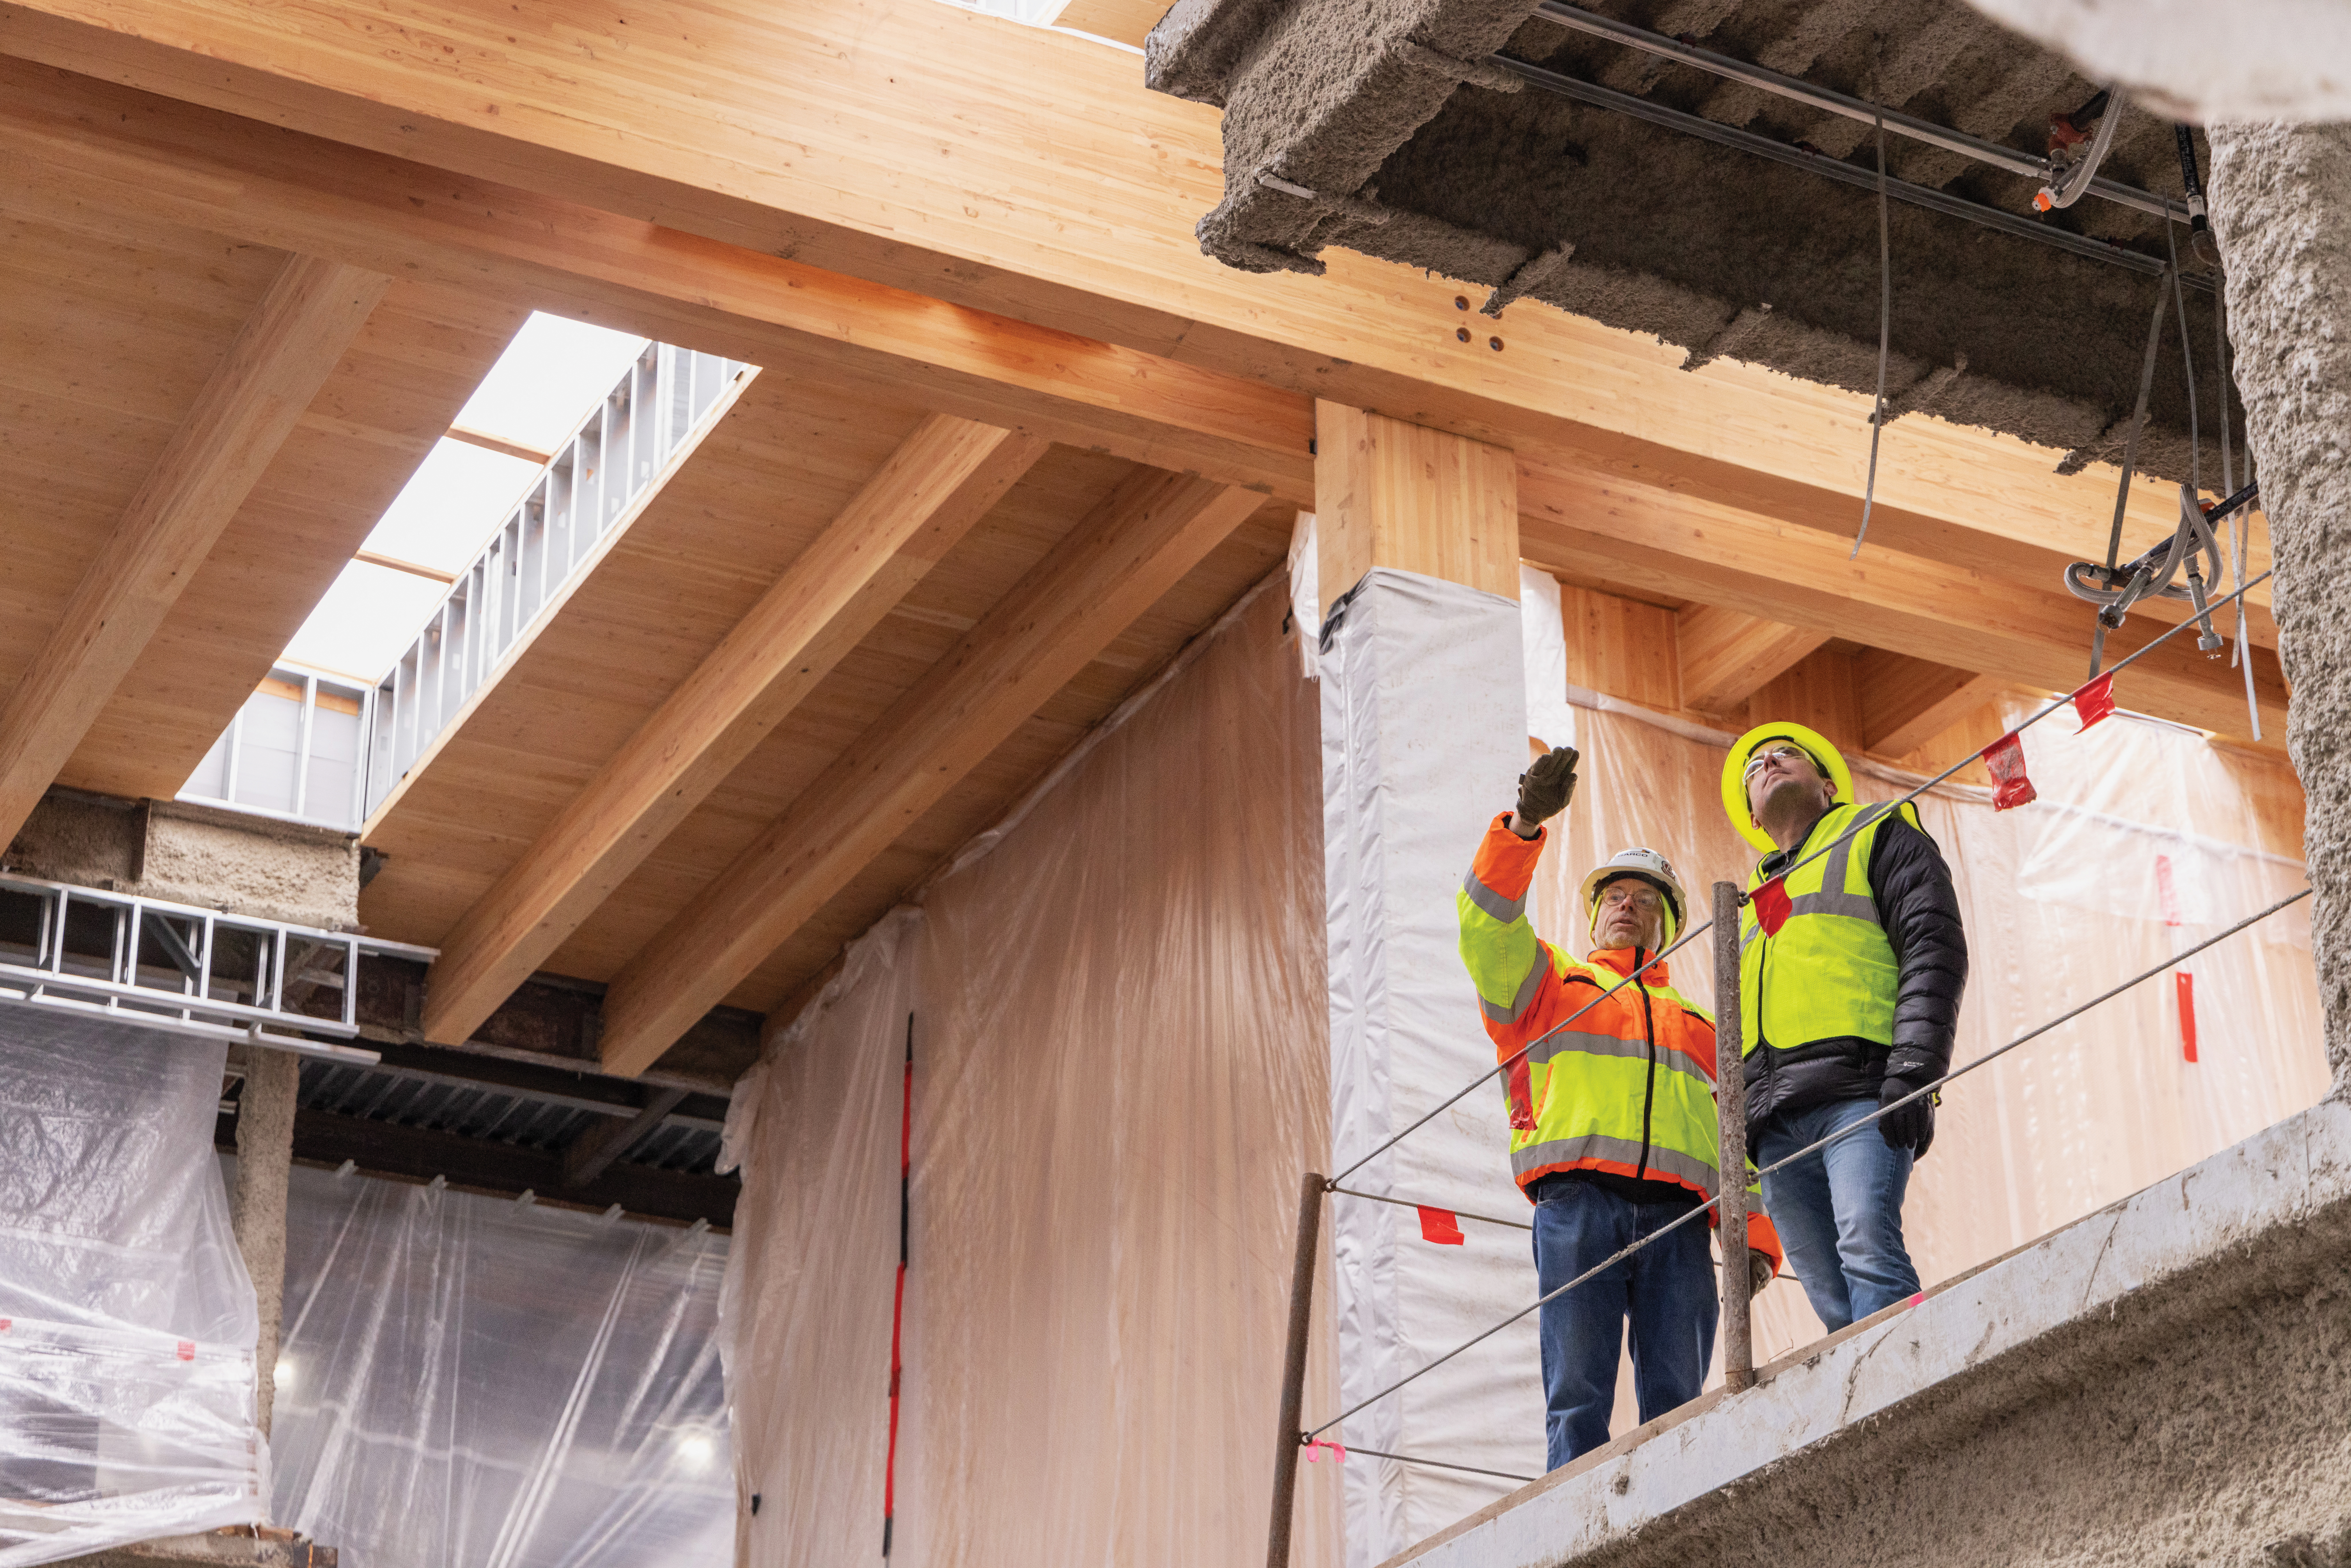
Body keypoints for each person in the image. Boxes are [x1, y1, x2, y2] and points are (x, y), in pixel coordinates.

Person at [1458, 743, 1782, 1472]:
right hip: (1577, 1205)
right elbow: (1486, 926)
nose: (1626, 903)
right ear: (1594, 915)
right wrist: (1523, 825)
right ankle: (1576, 1521)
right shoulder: (1547, 985)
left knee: (1680, 1401)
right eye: (1614, 895)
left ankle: (1680, 1515)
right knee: (1577, 1395)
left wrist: (1757, 1239)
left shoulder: (1705, 1026)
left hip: (1678, 1221)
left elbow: (1741, 1143)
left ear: (1668, 923)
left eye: (1644, 896)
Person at [1722, 722, 1967, 1333]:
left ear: (1829, 785)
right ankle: (1882, 1389)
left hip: (1860, 1092)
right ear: (1753, 817)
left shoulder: (1876, 831)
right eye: (1755, 765)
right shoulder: (1747, 903)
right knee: (1830, 1294)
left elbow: (1932, 942)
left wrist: (1915, 1067)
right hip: (1776, 1126)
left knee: (1868, 1247)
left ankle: (1916, 1380)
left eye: (1786, 754)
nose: (1768, 762)